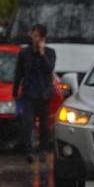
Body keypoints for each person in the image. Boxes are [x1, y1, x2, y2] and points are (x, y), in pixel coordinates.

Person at [14, 23, 57, 165]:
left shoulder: (50, 53)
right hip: (29, 94)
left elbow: (49, 68)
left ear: (43, 38)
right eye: (34, 35)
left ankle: (43, 149)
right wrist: (15, 91)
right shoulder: (25, 53)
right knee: (27, 123)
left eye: (38, 36)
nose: (35, 38)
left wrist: (42, 53)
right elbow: (19, 72)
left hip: (43, 94)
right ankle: (28, 151)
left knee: (44, 125)